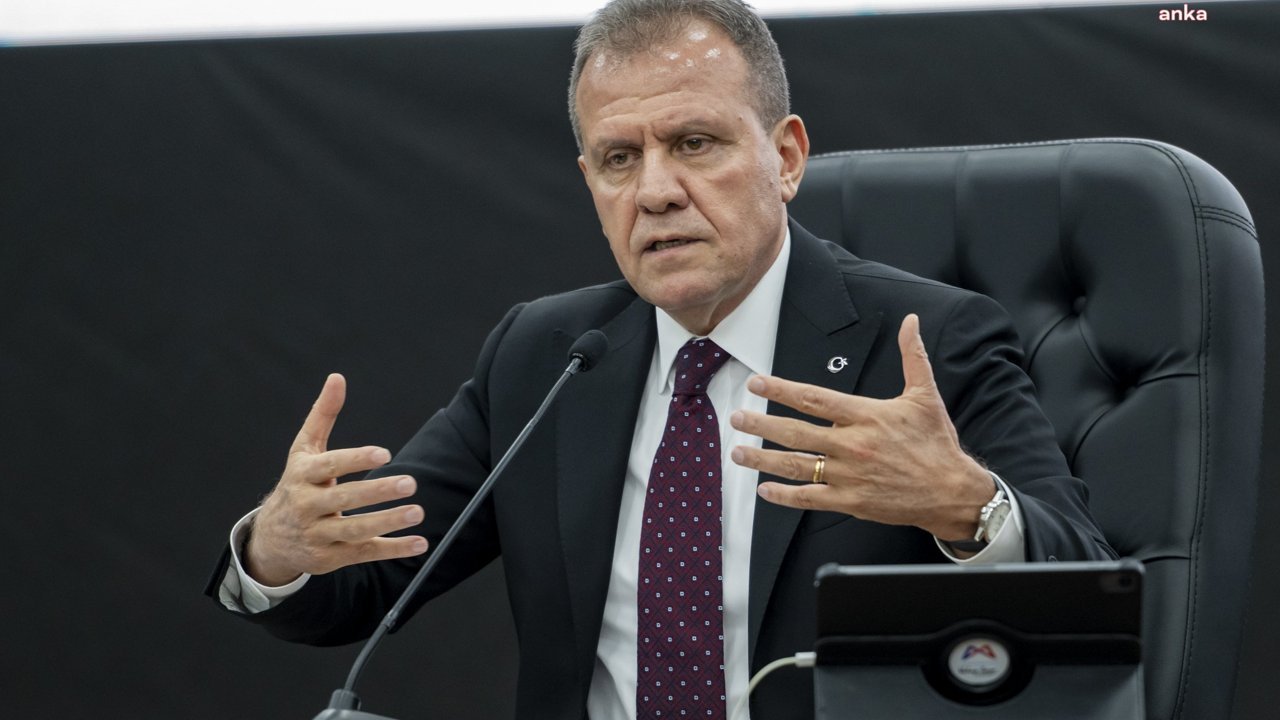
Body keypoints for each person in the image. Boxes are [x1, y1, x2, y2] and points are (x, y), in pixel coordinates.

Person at [207, 1, 1115, 718]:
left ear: (786, 157)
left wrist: (965, 506)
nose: (654, 191)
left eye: (694, 144)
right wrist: (275, 550)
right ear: (590, 183)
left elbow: (1094, 596)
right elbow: (365, 586)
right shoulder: (545, 358)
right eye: (618, 158)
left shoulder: (927, 343)